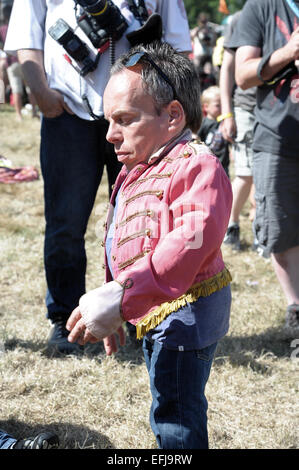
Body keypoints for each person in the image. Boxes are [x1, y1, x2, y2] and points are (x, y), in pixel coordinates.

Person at [66, 41, 233, 449]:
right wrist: (119, 302)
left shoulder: (198, 166)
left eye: (125, 118)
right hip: (153, 308)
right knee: (167, 398)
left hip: (185, 318)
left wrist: (121, 299)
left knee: (175, 412)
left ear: (172, 115)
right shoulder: (136, 168)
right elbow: (121, 233)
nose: (110, 134)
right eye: (108, 120)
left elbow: (187, 245)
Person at [4, 0, 192, 354]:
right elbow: (25, 35)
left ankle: (142, 315)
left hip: (141, 117)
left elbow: (179, 44)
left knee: (144, 223)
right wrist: (40, 92)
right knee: (65, 223)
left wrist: (175, 111)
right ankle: (65, 321)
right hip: (69, 113)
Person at [233, 0, 299, 331]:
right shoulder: (261, 7)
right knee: (280, 229)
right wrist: (289, 52)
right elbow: (243, 75)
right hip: (277, 137)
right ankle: (297, 309)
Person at [219, 10, 257, 252]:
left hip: (276, 109)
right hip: (245, 107)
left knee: (265, 175)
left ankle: (260, 228)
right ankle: (229, 226)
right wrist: (227, 113)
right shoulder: (239, 18)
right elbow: (227, 69)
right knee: (245, 173)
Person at [0, 5, 38, 120]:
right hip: (26, 60)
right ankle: (34, 112)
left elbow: (2, 47)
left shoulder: (2, 29)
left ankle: (19, 115)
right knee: (30, 88)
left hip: (12, 62)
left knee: (16, 89)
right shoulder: (20, 26)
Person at [198, 85, 230, 176]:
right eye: (217, 105)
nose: (222, 108)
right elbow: (197, 138)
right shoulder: (203, 123)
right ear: (206, 107)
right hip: (207, 164)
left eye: (223, 105)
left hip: (223, 164)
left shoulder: (224, 122)